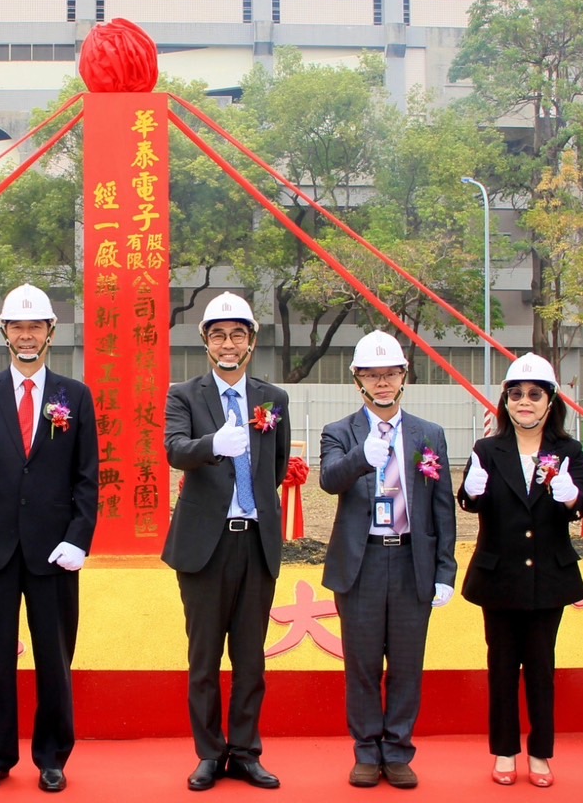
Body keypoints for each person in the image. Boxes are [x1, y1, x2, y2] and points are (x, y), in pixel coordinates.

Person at [0, 283, 99, 793]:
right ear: (4, 332)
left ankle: (52, 755)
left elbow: (87, 476)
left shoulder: (73, 396)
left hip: (53, 550)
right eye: (18, 326)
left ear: (51, 332)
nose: (27, 334)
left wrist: (79, 537)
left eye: (36, 326)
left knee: (54, 657)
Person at [162, 292, 290, 792]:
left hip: (255, 541)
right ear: (206, 343)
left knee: (252, 658)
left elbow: (275, 468)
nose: (229, 344)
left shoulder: (272, 399)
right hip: (203, 547)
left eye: (238, 334)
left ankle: (246, 750)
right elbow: (175, 450)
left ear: (252, 342)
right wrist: (212, 445)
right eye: (219, 335)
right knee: (204, 658)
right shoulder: (185, 395)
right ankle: (210, 754)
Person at [319, 331, 457, 790]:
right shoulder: (339, 432)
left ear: (404, 377)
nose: (382, 382)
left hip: (411, 562)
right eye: (372, 375)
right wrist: (362, 457)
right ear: (357, 379)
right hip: (361, 564)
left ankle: (397, 750)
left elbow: (442, 509)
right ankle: (365, 750)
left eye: (391, 374)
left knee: (406, 664)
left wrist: (444, 571)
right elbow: (329, 481)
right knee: (360, 664)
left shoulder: (427, 434)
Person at [458, 353, 583, 789]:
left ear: (550, 401)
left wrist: (571, 499)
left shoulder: (567, 450)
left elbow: (582, 504)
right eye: (516, 394)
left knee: (541, 668)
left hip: (549, 575)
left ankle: (541, 753)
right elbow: (472, 498)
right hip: (499, 575)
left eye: (535, 394)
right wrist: (470, 494)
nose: (525, 402)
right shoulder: (487, 449)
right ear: (506, 401)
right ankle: (505, 750)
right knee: (501, 667)